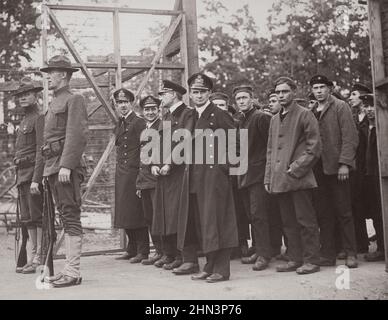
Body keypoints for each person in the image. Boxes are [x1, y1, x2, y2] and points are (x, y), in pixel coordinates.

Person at [178, 73, 238, 282]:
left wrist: (222, 168)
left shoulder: (219, 114)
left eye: (203, 91)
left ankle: (221, 269)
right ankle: (209, 266)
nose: (199, 95)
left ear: (210, 93)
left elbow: (236, 144)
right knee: (203, 222)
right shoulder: (188, 115)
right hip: (194, 177)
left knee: (218, 222)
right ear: (190, 94)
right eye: (195, 91)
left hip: (214, 177)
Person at [39, 55, 88, 287]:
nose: (49, 76)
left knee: (70, 215)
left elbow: (76, 135)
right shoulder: (53, 103)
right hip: (52, 167)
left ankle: (73, 271)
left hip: (64, 167)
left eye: (53, 72)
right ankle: (69, 269)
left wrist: (67, 165)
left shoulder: (74, 99)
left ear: (64, 75)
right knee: (64, 215)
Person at [264, 76, 321, 275]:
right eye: (278, 92)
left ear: (293, 92)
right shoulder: (274, 119)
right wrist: (268, 178)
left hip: (299, 179)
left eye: (285, 91)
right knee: (288, 222)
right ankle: (295, 258)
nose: (281, 95)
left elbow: (315, 147)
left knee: (306, 221)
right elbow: (270, 150)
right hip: (280, 180)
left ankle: (312, 260)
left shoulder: (305, 114)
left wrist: (296, 168)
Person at [309, 75, 359, 268]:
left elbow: (350, 137)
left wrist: (345, 163)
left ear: (329, 88)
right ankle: (328, 253)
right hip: (318, 169)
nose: (319, 91)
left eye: (322, 87)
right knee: (324, 213)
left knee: (344, 211)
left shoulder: (340, 106)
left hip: (338, 169)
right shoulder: (311, 110)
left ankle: (350, 252)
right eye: (315, 88)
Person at [151, 80, 193, 272]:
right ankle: (171, 254)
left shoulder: (187, 113)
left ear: (174, 94)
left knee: (178, 214)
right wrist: (155, 164)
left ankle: (183, 256)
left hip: (179, 173)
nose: (161, 98)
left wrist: (170, 163)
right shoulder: (166, 116)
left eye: (163, 94)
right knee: (165, 213)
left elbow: (186, 142)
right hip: (164, 173)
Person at [233, 84, 272, 271]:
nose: (241, 101)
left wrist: (268, 174)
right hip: (245, 176)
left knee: (259, 216)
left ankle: (264, 254)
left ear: (252, 98)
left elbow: (270, 147)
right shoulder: (241, 120)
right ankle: (259, 249)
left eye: (244, 97)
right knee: (252, 215)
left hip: (259, 175)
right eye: (238, 99)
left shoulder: (261, 118)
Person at [210, 91, 250, 258]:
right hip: (213, 175)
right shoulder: (206, 124)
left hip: (232, 172)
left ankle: (241, 242)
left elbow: (239, 148)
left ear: (227, 107)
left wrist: (229, 166)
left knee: (238, 209)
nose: (220, 109)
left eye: (222, 106)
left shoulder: (234, 123)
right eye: (216, 105)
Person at [112, 88, 148, 264]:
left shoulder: (139, 122)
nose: (122, 105)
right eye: (119, 103)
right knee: (125, 211)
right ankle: (131, 247)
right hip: (122, 173)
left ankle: (143, 250)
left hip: (134, 172)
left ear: (131, 103)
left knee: (137, 211)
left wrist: (142, 171)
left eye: (125, 102)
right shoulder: (120, 122)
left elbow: (145, 149)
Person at [12, 77, 44, 274]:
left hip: (33, 174)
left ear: (36, 96)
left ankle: (39, 256)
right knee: (27, 218)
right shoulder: (24, 119)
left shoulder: (39, 118)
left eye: (27, 94)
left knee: (37, 217)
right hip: (22, 175)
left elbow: (41, 150)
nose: (23, 98)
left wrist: (36, 179)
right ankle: (31, 255)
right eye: (20, 95)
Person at [136, 95, 163, 265]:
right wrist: (139, 183)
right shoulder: (144, 129)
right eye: (147, 109)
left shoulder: (162, 127)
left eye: (153, 109)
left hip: (157, 179)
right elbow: (141, 159)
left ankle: (164, 251)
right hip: (145, 179)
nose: (150, 112)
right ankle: (158, 250)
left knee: (158, 216)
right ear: (142, 111)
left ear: (158, 110)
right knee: (149, 217)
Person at [357, 94, 385, 261]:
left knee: (383, 212)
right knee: (375, 212)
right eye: (365, 107)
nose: (368, 110)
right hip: (367, 176)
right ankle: (381, 248)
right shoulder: (364, 129)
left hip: (380, 176)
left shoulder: (383, 126)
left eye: (372, 106)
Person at [349, 83, 373, 254]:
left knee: (375, 207)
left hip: (370, 169)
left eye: (354, 94)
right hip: (357, 170)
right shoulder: (353, 117)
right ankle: (361, 244)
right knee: (356, 206)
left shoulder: (371, 118)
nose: (351, 97)